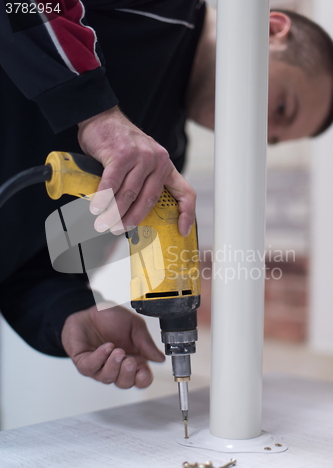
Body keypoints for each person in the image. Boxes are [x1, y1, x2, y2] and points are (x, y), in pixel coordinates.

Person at [0, 2, 332, 390]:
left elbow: (29, 261)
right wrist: (94, 111)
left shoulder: (164, 154)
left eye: (271, 139)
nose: (259, 135)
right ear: (272, 29)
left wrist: (69, 312)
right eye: (281, 108)